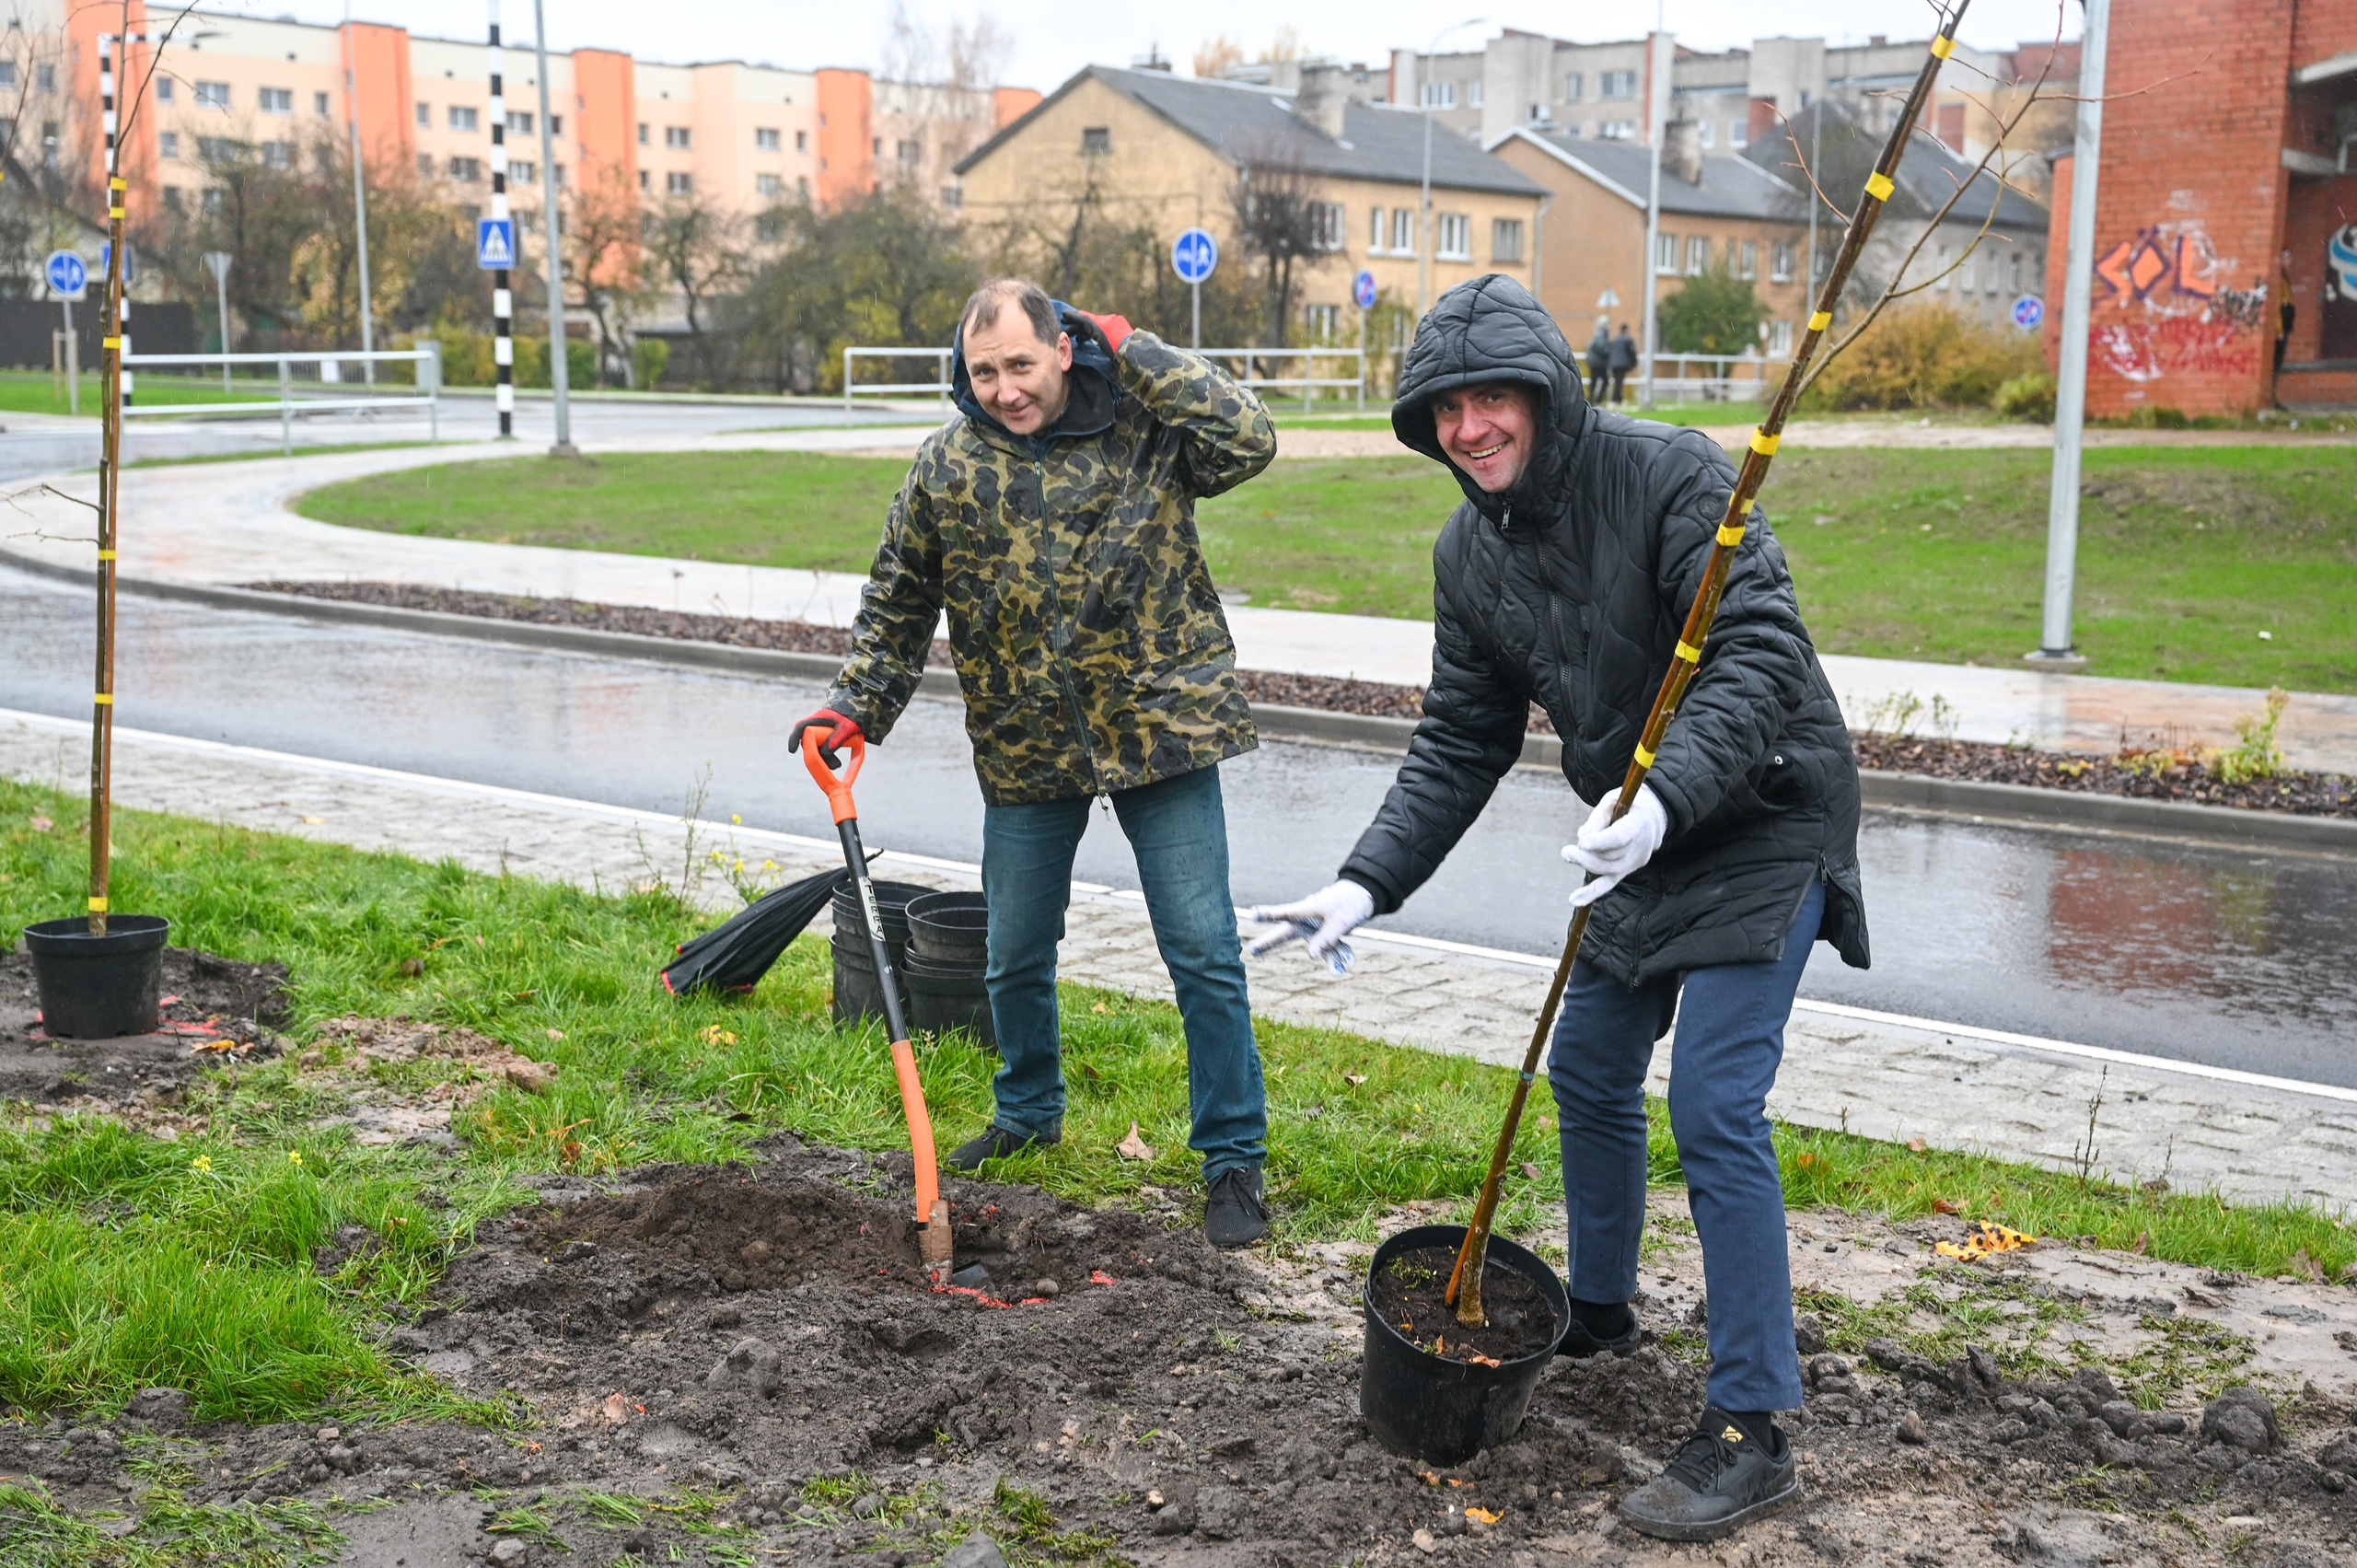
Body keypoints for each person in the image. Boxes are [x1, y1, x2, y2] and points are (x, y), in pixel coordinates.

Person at [1248, 275, 1868, 1544]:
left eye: (1492, 398)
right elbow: (1458, 739)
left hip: (1761, 809)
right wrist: (1365, 881)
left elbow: (1759, 651)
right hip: (1641, 828)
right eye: (1445, 409)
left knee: (1714, 1101)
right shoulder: (1468, 553)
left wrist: (1666, 798)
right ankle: (1601, 1309)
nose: (1470, 427)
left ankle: (1753, 1425)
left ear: (1544, 392)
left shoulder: (1673, 474)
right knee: (1588, 1061)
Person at [793, 278, 1280, 1249]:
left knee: (1202, 948)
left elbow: (1249, 440)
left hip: (1160, 730)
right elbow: (897, 603)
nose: (1005, 389)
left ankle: (1232, 1156)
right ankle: (1027, 1110)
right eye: (984, 372)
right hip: (1028, 742)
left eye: (1020, 364)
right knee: (1013, 947)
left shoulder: (1143, 424)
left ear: (1063, 349)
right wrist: (855, 704)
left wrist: (1137, 350)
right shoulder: (948, 465)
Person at [1608, 321, 1639, 403]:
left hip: (1613, 363)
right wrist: (1634, 363)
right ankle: (1616, 398)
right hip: (1622, 364)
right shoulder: (1628, 339)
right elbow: (1632, 352)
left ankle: (1617, 398)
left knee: (1617, 381)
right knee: (1619, 382)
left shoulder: (1615, 339)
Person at [1585, 319, 1612, 402]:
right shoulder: (1601, 335)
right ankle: (1597, 400)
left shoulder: (1598, 335)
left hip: (1595, 362)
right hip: (1599, 363)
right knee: (1604, 381)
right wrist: (1610, 351)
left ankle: (1592, 398)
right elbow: (1602, 348)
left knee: (1594, 380)